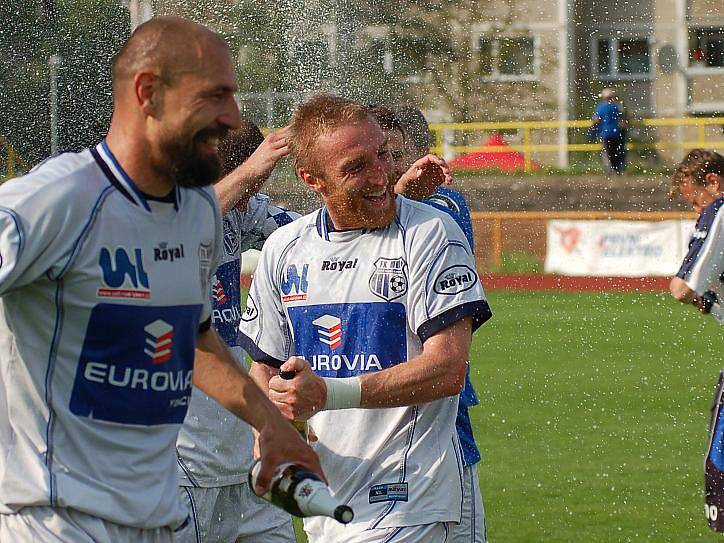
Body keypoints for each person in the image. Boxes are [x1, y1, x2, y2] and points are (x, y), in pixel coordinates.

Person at [0, 16, 322, 542]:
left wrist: (271, 426)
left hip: (156, 518)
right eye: (216, 96)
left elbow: (194, 341)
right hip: (52, 519)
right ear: (148, 92)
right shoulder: (55, 200)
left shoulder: (196, 213)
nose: (233, 118)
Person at [240, 94, 493, 542]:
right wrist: (272, 426)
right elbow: (264, 366)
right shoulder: (284, 249)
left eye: (384, 155)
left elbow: (449, 370)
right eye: (356, 167)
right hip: (329, 502)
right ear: (311, 179)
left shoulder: (430, 233)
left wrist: (324, 394)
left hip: (411, 498)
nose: (381, 175)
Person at [175, 121, 299, 543]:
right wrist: (250, 171)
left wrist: (391, 202)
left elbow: (319, 237)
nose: (254, 195)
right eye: (252, 180)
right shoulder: (163, 210)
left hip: (249, 460)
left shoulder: (243, 208)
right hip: (185, 465)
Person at [381, 104, 488, 542]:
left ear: (416, 151)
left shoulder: (442, 202)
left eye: (389, 152)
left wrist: (401, 196)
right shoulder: (380, 210)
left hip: (439, 408)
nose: (381, 165)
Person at [668, 149, 724, 532]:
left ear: (713, 183)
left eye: (695, 201)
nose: (696, 212)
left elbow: (682, 288)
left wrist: (696, 294)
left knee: (720, 465)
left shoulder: (720, 208)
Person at [592, 88, 627, 175]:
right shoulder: (616, 106)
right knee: (617, 153)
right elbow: (623, 119)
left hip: (605, 134)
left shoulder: (600, 107)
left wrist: (593, 130)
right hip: (616, 133)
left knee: (607, 153)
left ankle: (609, 171)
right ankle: (618, 170)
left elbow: (596, 120)